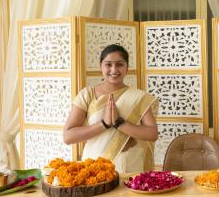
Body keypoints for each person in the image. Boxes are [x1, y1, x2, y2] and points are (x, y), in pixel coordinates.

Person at [64, 44, 159, 173]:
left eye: (119, 64)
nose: (114, 69)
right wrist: (104, 124)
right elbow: (68, 137)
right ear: (101, 67)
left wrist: (119, 123)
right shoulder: (87, 95)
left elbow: (152, 134)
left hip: (130, 167)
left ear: (127, 67)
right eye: (108, 64)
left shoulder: (139, 97)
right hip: (95, 168)